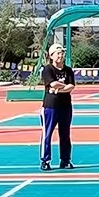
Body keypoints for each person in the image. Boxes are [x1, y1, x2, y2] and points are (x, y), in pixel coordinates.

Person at [40, 43, 75, 171]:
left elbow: (71, 86)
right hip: (50, 107)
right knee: (47, 134)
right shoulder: (47, 69)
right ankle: (45, 160)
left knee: (65, 134)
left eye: (62, 53)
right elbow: (52, 83)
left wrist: (58, 90)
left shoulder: (68, 70)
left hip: (66, 106)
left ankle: (65, 160)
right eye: (58, 53)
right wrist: (62, 86)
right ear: (51, 55)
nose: (61, 56)